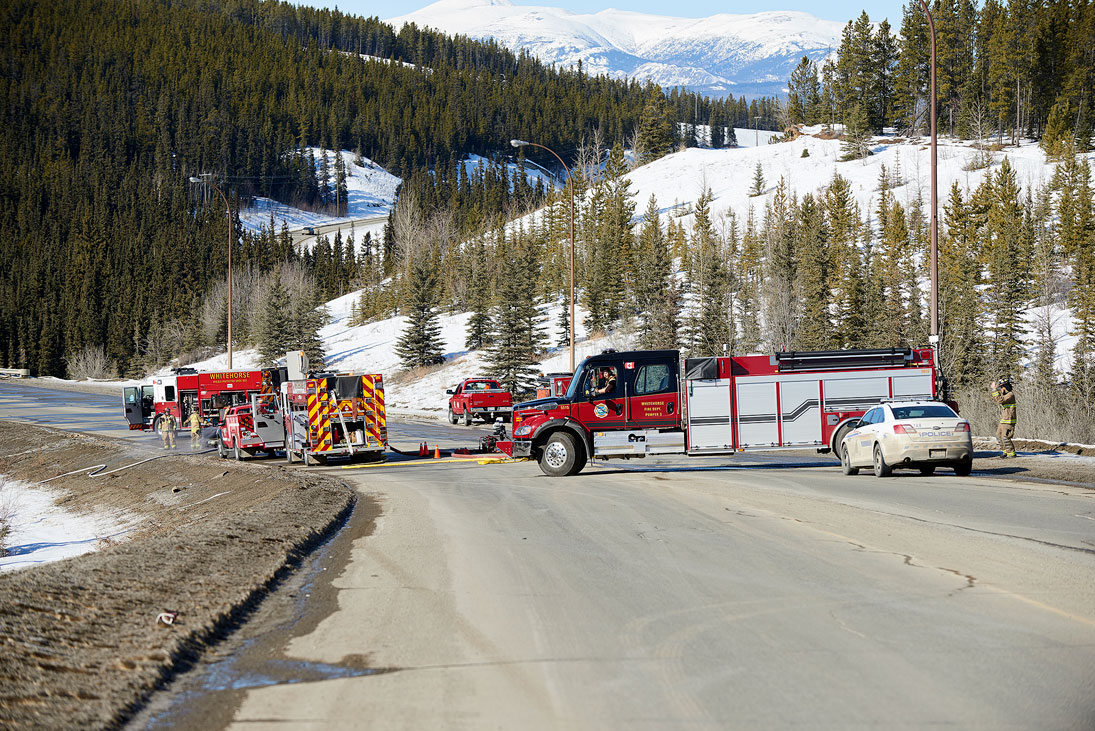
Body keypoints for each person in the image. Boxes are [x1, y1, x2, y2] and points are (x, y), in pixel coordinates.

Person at [990, 377, 1017, 458]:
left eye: (1002, 387)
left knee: (1005, 437)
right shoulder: (1006, 395)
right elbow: (999, 399)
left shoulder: (1010, 395)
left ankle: (1011, 453)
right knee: (999, 435)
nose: (1001, 389)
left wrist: (994, 390)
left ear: (1005, 387)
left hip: (1009, 420)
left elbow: (1000, 400)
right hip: (1003, 420)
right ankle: (1005, 452)